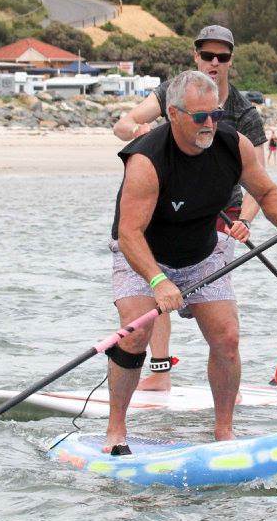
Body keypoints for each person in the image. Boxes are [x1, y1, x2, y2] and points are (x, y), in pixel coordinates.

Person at [105, 70, 277, 451]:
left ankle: (224, 432)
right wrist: (158, 281)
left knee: (227, 337)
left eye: (215, 115)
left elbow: (267, 190)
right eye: (200, 117)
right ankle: (116, 430)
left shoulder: (234, 145)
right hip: (144, 253)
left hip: (202, 253)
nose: (210, 124)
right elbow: (129, 234)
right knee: (135, 334)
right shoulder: (146, 159)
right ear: (174, 114)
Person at [112, 25, 268, 391]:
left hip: (219, 216)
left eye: (222, 57)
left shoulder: (244, 114)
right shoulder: (174, 91)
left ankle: (227, 391)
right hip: (170, 200)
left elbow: (260, 183)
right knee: (157, 280)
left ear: (230, 61)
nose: (214, 62)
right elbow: (126, 122)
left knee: (222, 327)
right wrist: (135, 130)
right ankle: (161, 371)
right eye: (207, 55)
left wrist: (244, 219)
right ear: (195, 56)